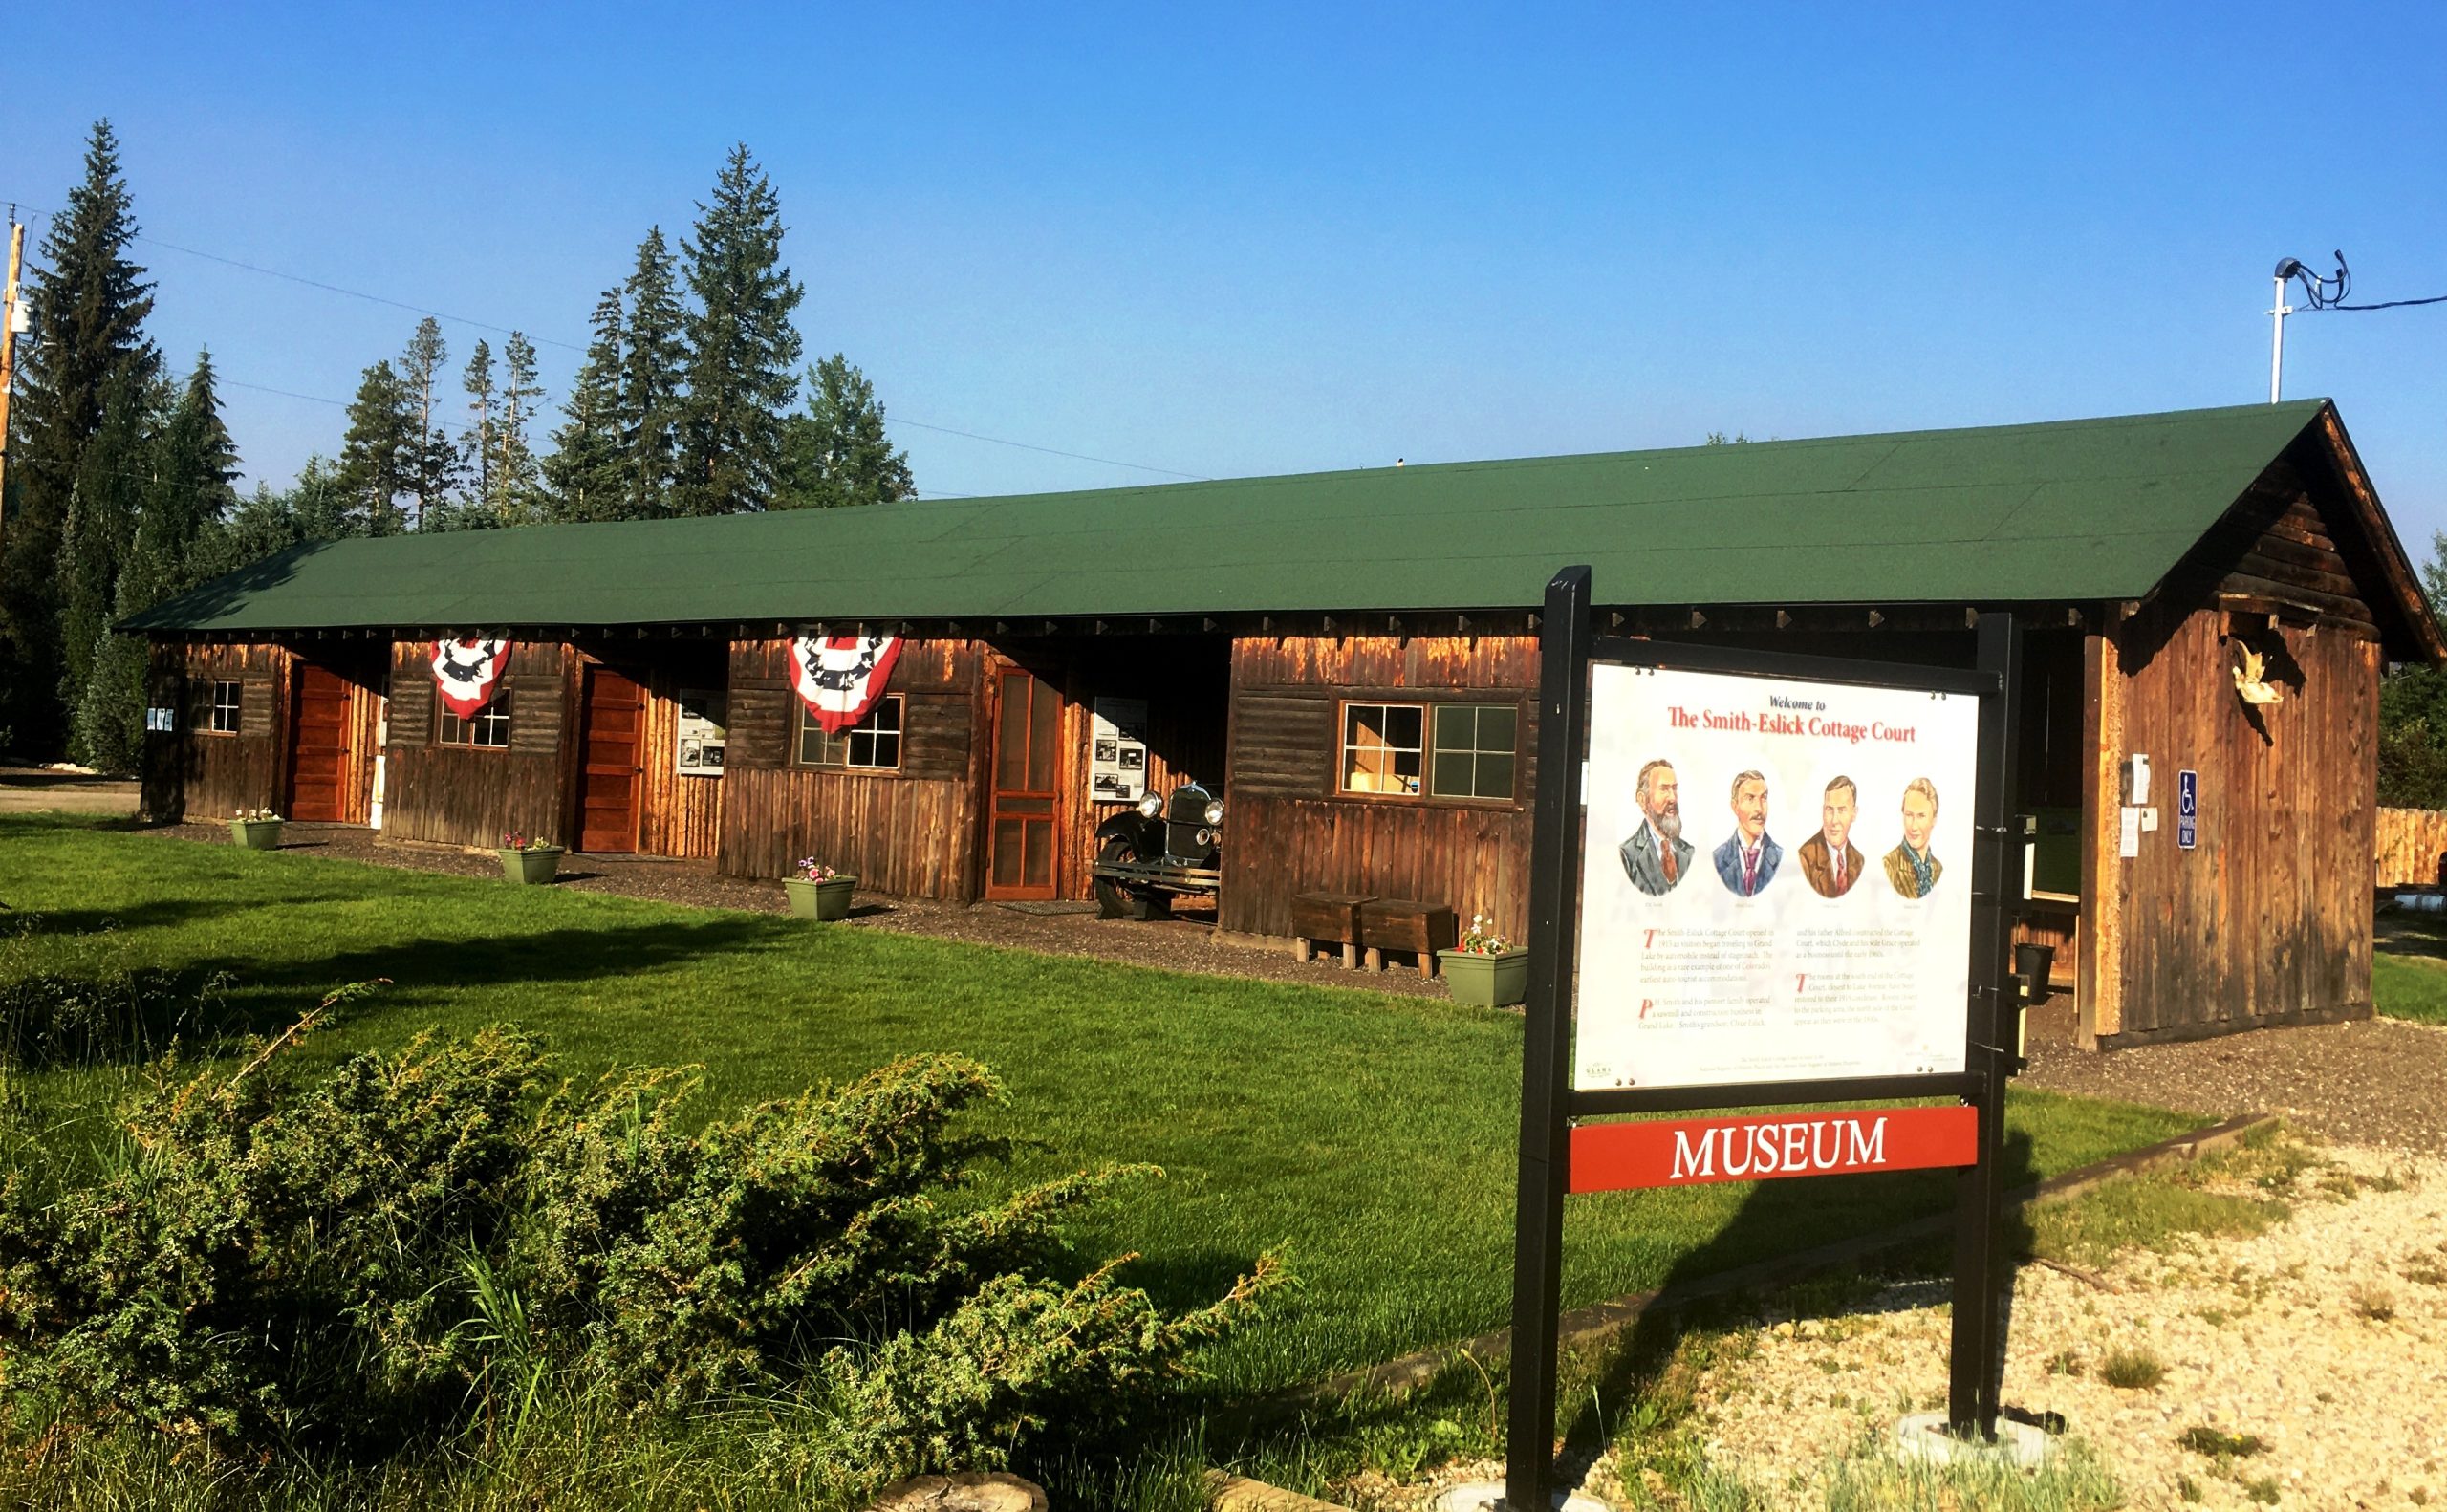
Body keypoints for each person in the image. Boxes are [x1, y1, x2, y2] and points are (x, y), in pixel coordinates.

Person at [1617, 758, 1695, 895]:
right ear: (1642, 800)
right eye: (1664, 789)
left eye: (1674, 788)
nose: (1673, 798)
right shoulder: (1627, 856)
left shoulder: (1689, 853)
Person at [1712, 770, 1782, 896]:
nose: (1759, 809)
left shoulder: (1780, 857)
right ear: (1735, 807)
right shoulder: (1718, 859)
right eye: (1750, 799)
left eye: (1764, 798)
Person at [1797, 776, 1867, 898]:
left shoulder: (1859, 861)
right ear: (1823, 812)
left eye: (1841, 810)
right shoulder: (1805, 858)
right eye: (1829, 810)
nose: (1834, 820)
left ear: (1854, 813)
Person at [1885, 777, 1943, 897]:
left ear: (1934, 820)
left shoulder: (1938, 869)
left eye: (1921, 816)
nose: (1913, 826)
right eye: (1909, 815)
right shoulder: (1889, 865)